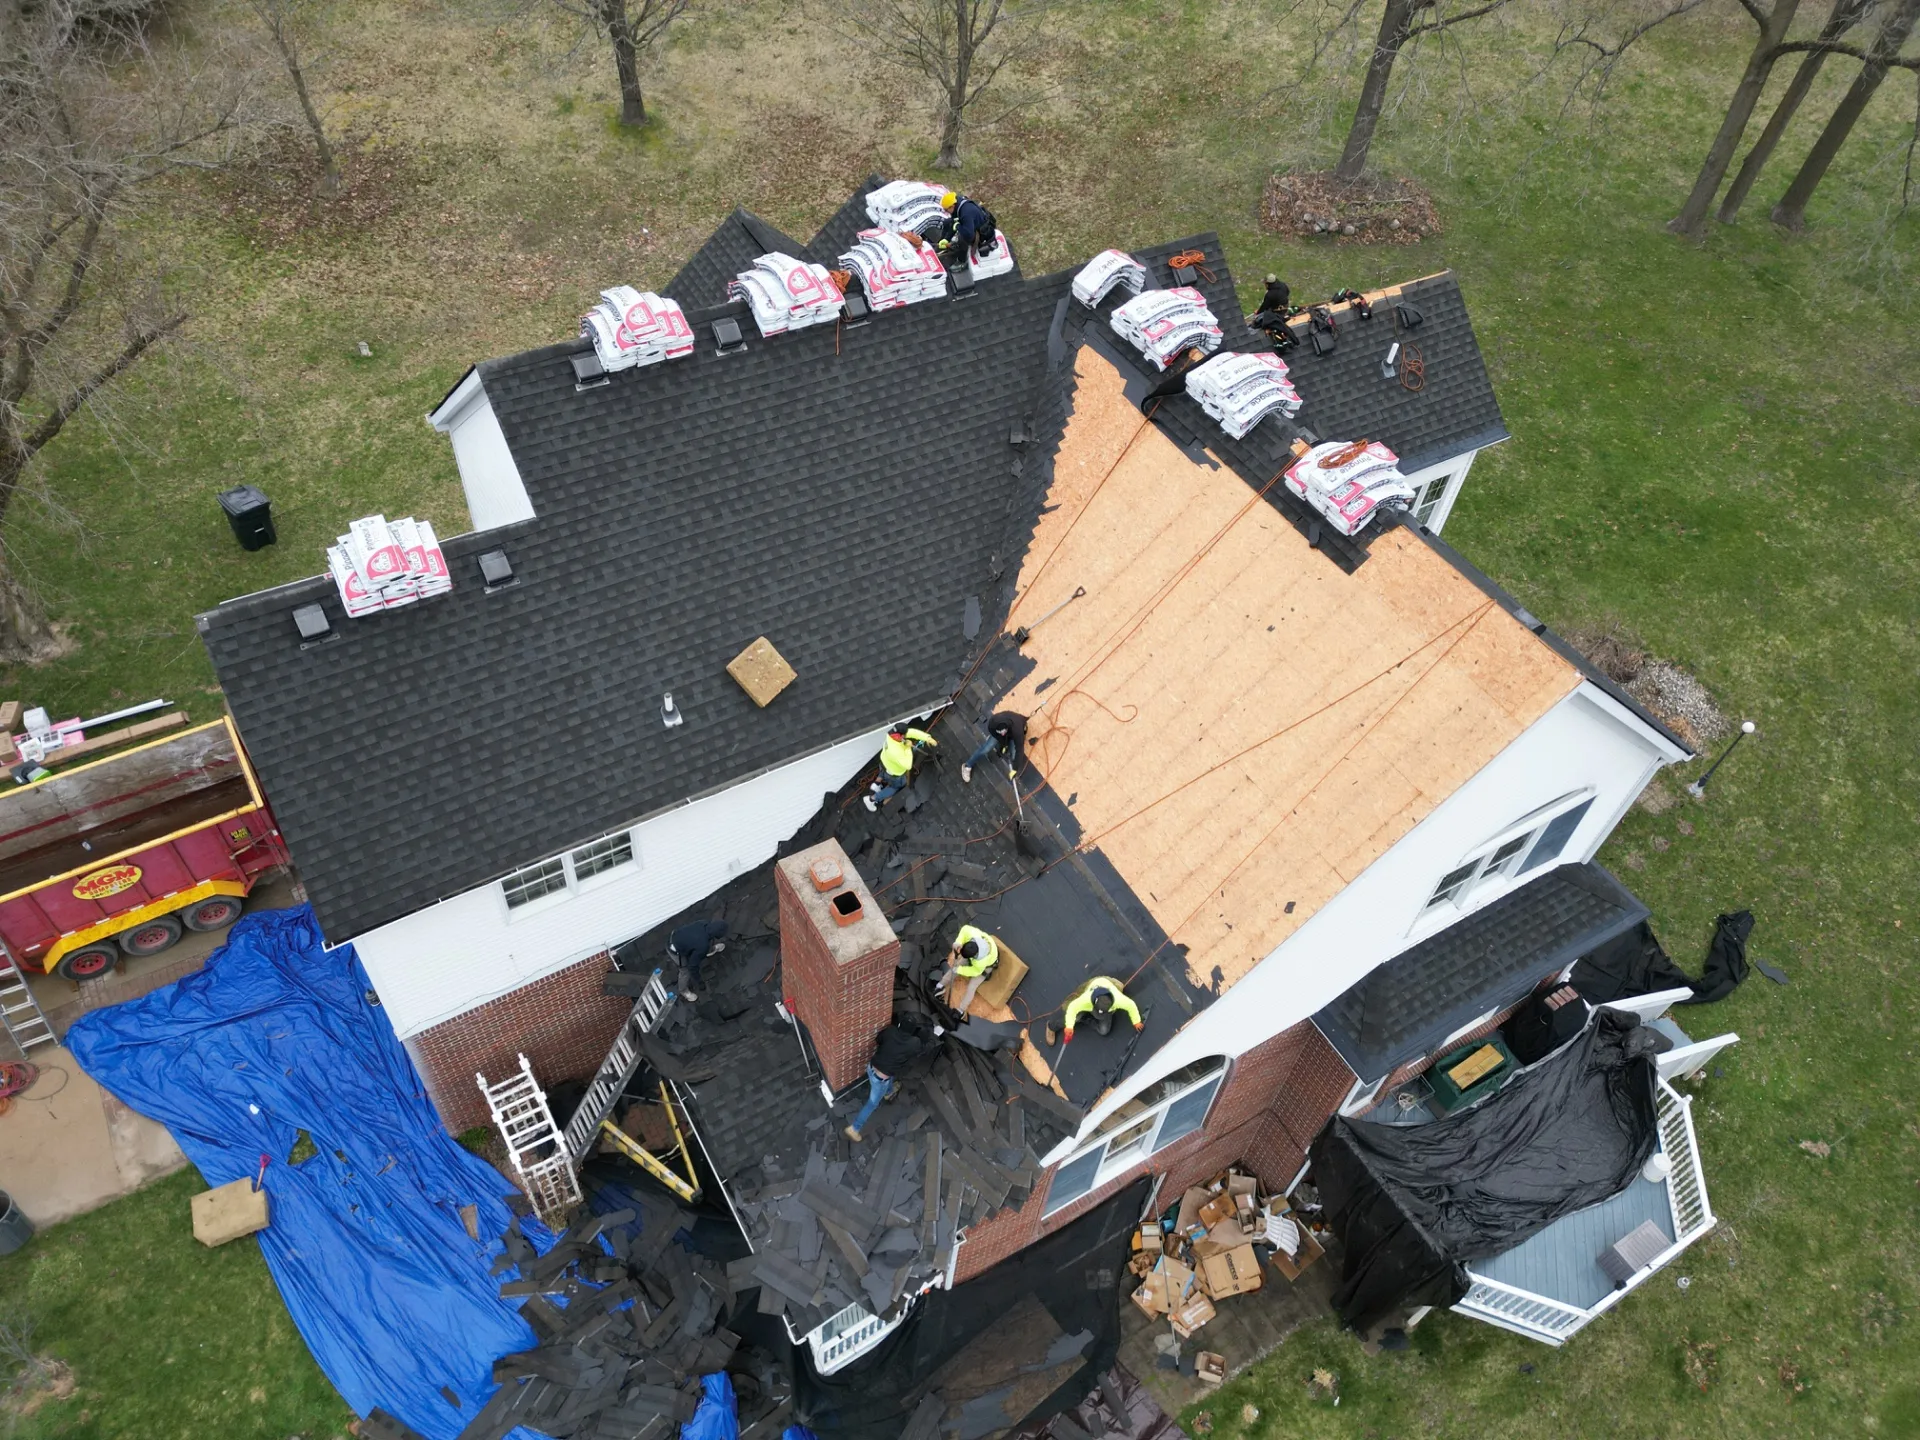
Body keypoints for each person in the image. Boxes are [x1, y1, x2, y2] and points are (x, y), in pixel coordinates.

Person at [845, 1014, 944, 1142]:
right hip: (880, 1079)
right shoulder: (913, 1043)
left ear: (899, 1025)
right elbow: (927, 1048)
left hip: (872, 1068)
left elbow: (879, 1039)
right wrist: (934, 1034)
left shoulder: (890, 1031)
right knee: (872, 1104)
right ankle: (854, 1128)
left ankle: (888, 1092)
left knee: (891, 1074)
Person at [1048, 975, 1143, 1044]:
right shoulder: (1086, 999)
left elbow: (1131, 1006)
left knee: (1104, 1030)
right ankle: (1051, 1027)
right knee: (1072, 1015)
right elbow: (1072, 1008)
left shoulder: (1118, 1000)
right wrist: (1069, 1026)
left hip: (1108, 986)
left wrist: (1136, 1021)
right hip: (1093, 985)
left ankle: (1084, 1018)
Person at [864, 725, 938, 812]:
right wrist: (907, 748)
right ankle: (871, 799)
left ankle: (876, 784)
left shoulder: (891, 735)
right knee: (895, 787)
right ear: (901, 736)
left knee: (883, 772)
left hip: (885, 762)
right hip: (893, 772)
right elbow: (908, 765)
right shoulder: (896, 751)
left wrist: (927, 738)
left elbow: (911, 732)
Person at [941, 924, 1001, 1011]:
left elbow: (975, 972)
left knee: (971, 987)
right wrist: (958, 942)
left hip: (986, 966)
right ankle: (940, 985)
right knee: (956, 965)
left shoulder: (981, 961)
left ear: (973, 956)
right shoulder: (972, 933)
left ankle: (961, 1010)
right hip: (976, 956)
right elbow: (965, 929)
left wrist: (959, 969)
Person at [667, 918, 727, 1002]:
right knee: (685, 970)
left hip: (676, 935)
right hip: (674, 949)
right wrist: (699, 981)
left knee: (703, 945)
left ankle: (711, 950)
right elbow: (693, 966)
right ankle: (683, 990)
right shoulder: (702, 945)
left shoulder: (703, 923)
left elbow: (704, 939)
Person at [961, 711, 1027, 783]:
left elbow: (1020, 750)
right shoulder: (992, 723)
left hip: (1013, 735)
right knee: (986, 749)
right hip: (1000, 734)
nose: (1002, 734)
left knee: (1015, 756)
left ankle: (1006, 740)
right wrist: (1004, 744)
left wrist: (1015, 769)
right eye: (1000, 732)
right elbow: (997, 735)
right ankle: (967, 766)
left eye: (1003, 732)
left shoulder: (1017, 729)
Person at [934, 191, 995, 269]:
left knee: (962, 238)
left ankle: (962, 261)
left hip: (982, 233)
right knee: (947, 222)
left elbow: (969, 235)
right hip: (971, 225)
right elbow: (954, 221)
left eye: (946, 210)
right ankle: (942, 242)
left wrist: (958, 227)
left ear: (952, 206)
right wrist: (946, 239)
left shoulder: (966, 213)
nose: (946, 212)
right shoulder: (957, 204)